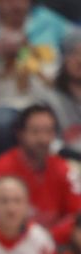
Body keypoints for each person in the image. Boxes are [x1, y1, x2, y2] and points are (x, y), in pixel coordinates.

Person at [0, 0, 72, 145]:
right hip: (3, 105)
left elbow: (76, 41)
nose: (16, 5)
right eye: (9, 1)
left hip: (50, 100)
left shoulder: (49, 22)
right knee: (0, 123)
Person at [0, 104, 81, 245]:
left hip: (55, 246)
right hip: (10, 246)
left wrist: (49, 236)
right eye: (35, 132)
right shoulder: (0, 169)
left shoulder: (63, 168)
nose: (43, 139)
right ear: (20, 133)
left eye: (48, 131)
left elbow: (77, 214)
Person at [43, 29, 81, 158]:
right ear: (63, 59)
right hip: (65, 162)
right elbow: (46, 141)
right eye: (73, 53)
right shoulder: (49, 99)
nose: (79, 60)